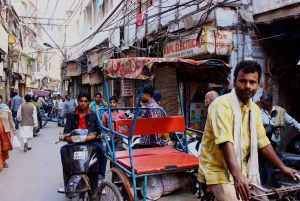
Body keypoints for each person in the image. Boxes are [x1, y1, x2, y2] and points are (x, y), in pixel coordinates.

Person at [198, 60, 297, 201]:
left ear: (258, 85)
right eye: (242, 81)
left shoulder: (255, 110)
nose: (247, 86)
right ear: (234, 82)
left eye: (252, 82)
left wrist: (283, 168)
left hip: (243, 170)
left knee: (265, 199)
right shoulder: (221, 105)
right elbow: (226, 141)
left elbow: (262, 142)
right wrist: (238, 178)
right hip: (217, 172)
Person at [59, 91, 107, 190]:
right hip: (75, 142)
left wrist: (101, 134)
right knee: (63, 150)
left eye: (85, 101)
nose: (83, 103)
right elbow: (67, 131)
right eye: (81, 101)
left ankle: (100, 176)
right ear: (78, 101)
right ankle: (67, 179)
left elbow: (99, 129)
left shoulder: (94, 114)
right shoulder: (71, 115)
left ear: (89, 102)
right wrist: (63, 136)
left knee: (103, 151)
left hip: (91, 141)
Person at [259, 93, 300, 185]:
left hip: (274, 141)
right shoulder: (260, 113)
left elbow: (293, 122)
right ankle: (265, 182)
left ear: (269, 102)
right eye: (261, 103)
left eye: (263, 102)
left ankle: (271, 181)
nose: (261, 105)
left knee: (272, 160)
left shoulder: (280, 112)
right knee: (264, 162)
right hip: (262, 140)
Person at [0, 95, 16, 171]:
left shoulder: (6, 109)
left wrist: (14, 129)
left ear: (1, 99)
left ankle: (4, 161)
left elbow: (10, 120)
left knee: (5, 148)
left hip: (5, 132)